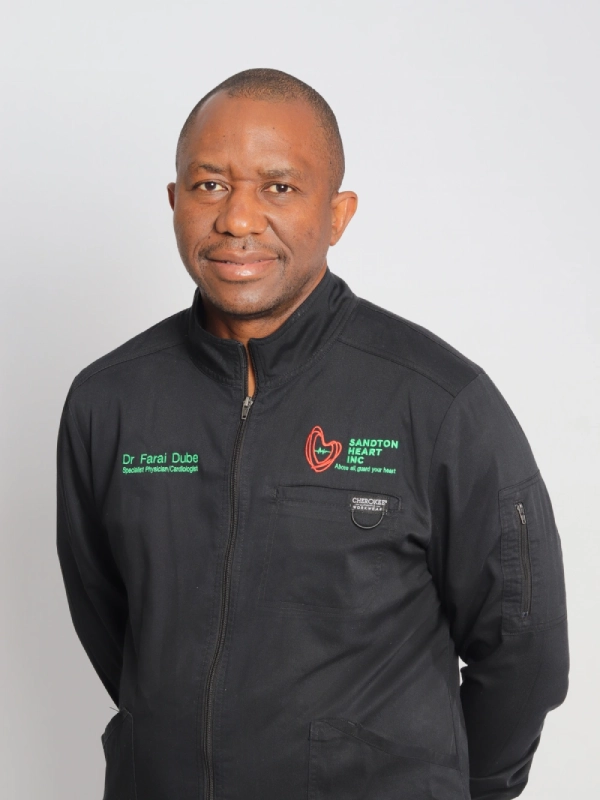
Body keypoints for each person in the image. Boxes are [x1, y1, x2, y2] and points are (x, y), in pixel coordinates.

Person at [56, 68, 569, 800]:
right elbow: (115, 629)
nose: (238, 219)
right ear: (174, 201)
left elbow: (525, 653)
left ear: (337, 214)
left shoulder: (438, 401)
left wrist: (467, 786)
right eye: (209, 185)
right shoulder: (109, 400)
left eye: (279, 187)